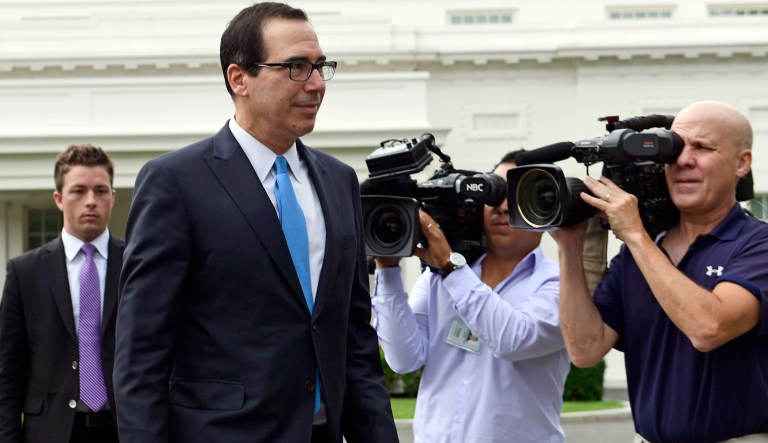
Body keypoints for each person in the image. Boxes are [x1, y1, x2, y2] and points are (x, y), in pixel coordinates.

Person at [113, 3, 398, 443]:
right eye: (297, 67)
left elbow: (355, 340)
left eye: (321, 67)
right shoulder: (175, 182)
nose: (318, 83)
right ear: (238, 78)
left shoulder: (340, 181)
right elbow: (141, 352)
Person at [551, 100, 768, 443]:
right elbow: (585, 350)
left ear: (742, 163)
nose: (683, 161)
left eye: (703, 148)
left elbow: (708, 328)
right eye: (676, 148)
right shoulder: (639, 254)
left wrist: (636, 235)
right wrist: (569, 244)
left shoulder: (758, 243)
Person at [372, 151, 569, 443]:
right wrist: (387, 271)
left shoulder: (559, 284)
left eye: (515, 195)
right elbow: (403, 359)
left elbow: (511, 340)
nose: (501, 207)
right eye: (495, 192)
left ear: (541, 206)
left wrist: (450, 268)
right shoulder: (441, 276)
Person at [0, 144, 123, 443]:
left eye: (101, 191)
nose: (91, 201)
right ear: (59, 199)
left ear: (112, 197)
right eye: (79, 191)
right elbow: (7, 372)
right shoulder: (24, 272)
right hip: (50, 431)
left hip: (123, 429)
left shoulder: (137, 265)